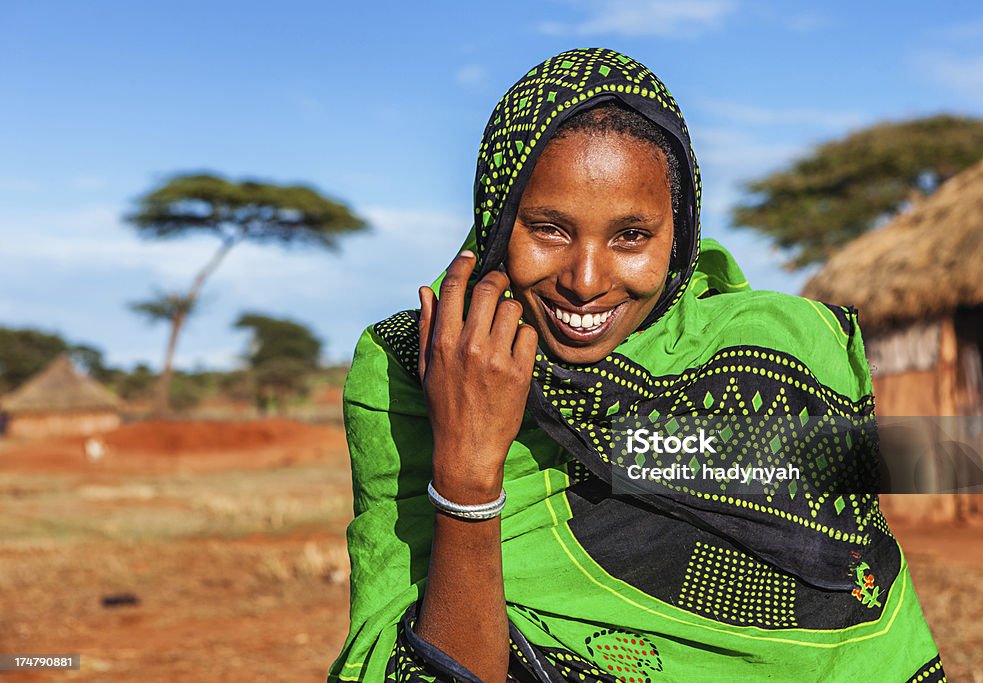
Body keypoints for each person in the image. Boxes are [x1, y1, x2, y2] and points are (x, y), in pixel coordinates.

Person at [327, 48, 943, 683]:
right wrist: (468, 474)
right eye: (548, 229)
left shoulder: (781, 350)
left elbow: (854, 601)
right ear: (497, 220)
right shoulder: (414, 364)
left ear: (678, 237)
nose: (586, 281)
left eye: (631, 236)